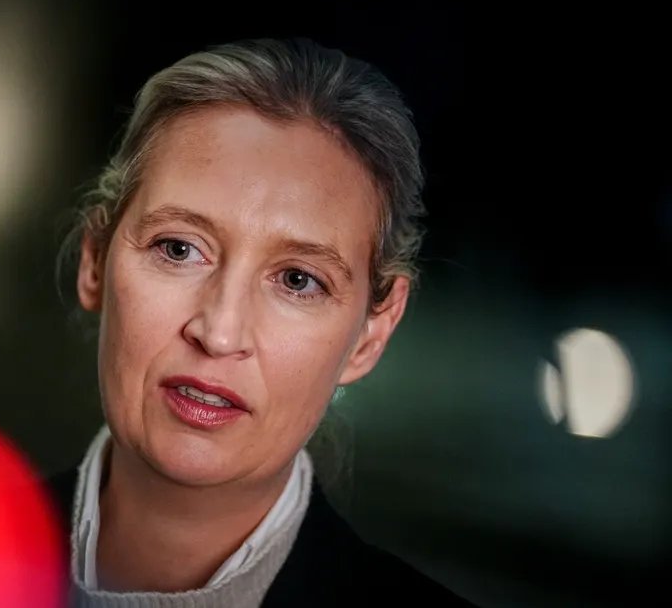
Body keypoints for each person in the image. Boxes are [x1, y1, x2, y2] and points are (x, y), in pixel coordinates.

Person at [48, 38, 475, 607]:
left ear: (371, 334)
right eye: (178, 249)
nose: (219, 333)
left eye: (298, 280)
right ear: (95, 260)